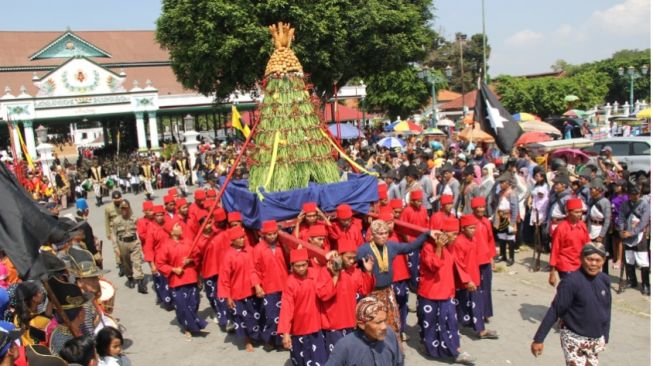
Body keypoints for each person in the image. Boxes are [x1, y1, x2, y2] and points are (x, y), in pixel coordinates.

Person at [531, 243, 611, 365]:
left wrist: (605, 334)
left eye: (597, 260)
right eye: (589, 259)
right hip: (574, 337)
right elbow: (555, 310)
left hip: (595, 339)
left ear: (604, 261)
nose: (593, 264)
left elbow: (606, 309)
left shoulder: (604, 280)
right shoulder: (571, 282)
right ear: (581, 258)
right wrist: (538, 339)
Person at [356, 220, 433, 335]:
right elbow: (349, 263)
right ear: (372, 234)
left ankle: (393, 349)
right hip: (371, 293)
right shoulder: (363, 250)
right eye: (380, 234)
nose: (383, 236)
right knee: (373, 325)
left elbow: (410, 247)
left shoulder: (391, 246)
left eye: (385, 233)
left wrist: (426, 234)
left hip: (388, 292)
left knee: (393, 323)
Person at [417, 217, 475, 364]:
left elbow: (458, 265)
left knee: (449, 323)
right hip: (430, 293)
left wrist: (467, 280)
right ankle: (430, 349)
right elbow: (433, 266)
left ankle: (454, 350)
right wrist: (438, 247)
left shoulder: (451, 248)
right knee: (430, 323)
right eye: (453, 234)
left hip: (446, 292)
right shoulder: (427, 247)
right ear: (442, 233)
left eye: (456, 234)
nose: (456, 237)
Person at [316, 238, 375, 353]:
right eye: (349, 258)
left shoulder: (355, 271)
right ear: (340, 255)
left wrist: (368, 272)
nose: (352, 261)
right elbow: (323, 295)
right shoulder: (326, 271)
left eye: (354, 258)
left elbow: (365, 290)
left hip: (351, 321)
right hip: (333, 323)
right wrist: (335, 276)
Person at [156, 221, 207, 339]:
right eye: (177, 226)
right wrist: (173, 269)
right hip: (177, 281)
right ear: (171, 231)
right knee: (181, 305)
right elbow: (160, 264)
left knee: (194, 303)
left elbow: (197, 255)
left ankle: (192, 323)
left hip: (191, 278)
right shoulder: (165, 246)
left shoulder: (188, 242)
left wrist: (191, 261)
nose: (180, 227)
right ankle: (187, 327)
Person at [278, 248, 328, 366]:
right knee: (302, 359)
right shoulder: (290, 282)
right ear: (291, 266)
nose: (301, 268)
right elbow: (286, 308)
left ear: (308, 263)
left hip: (318, 324)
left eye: (304, 265)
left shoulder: (316, 274)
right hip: (300, 327)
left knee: (319, 358)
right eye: (297, 266)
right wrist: (285, 333)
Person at [452, 215, 498, 339]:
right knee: (461, 305)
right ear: (463, 228)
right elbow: (458, 264)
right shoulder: (459, 242)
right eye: (471, 228)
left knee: (477, 304)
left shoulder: (473, 240)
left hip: (475, 277)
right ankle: (455, 328)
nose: (474, 230)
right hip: (463, 281)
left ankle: (480, 329)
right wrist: (467, 280)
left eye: (474, 228)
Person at [325, 297, 404, 366]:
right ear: (362, 325)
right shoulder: (344, 346)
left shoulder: (389, 334)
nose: (384, 327)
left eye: (384, 320)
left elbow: (398, 362)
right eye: (378, 322)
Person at [218, 226, 261, 351]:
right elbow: (224, 278)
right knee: (242, 319)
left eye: (243, 237)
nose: (243, 240)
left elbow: (255, 269)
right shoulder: (228, 256)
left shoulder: (250, 250)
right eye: (239, 238)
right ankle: (247, 340)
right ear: (232, 241)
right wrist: (228, 296)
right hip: (237, 293)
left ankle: (257, 336)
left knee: (255, 314)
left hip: (252, 290)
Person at [251, 220, 287, 349]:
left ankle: (283, 340)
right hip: (269, 287)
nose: (272, 236)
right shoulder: (258, 249)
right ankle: (268, 339)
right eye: (269, 234)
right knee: (271, 317)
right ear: (263, 235)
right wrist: (257, 285)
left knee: (284, 316)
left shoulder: (282, 246)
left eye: (274, 234)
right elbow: (253, 269)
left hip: (284, 286)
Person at [618, 183, 651, 295]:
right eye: (632, 194)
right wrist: (621, 230)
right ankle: (632, 280)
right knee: (629, 259)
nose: (634, 196)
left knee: (643, 261)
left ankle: (646, 284)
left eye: (636, 194)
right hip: (626, 234)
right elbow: (621, 218)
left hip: (639, 236)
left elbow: (643, 223)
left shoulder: (645, 204)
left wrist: (631, 233)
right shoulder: (624, 205)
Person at [549, 198, 590, 286]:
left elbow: (588, 246)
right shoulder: (561, 228)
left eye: (580, 212)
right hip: (565, 265)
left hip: (580, 264)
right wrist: (552, 272)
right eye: (576, 212)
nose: (579, 214)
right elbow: (555, 250)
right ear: (569, 212)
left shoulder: (582, 225)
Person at [112, 200, 147, 293]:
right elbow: (114, 235)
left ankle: (140, 282)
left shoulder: (134, 219)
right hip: (122, 244)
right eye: (122, 208)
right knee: (126, 263)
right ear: (119, 209)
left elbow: (140, 231)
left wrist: (140, 244)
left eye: (126, 207)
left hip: (134, 242)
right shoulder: (116, 221)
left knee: (137, 262)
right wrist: (116, 248)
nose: (124, 210)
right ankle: (130, 277)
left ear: (129, 208)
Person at [470, 197, 496, 322]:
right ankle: (475, 313)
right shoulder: (469, 222)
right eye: (478, 208)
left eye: (482, 207)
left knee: (486, 287)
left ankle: (485, 312)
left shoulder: (486, 222)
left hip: (485, 259)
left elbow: (490, 241)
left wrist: (492, 258)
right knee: (475, 288)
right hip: (473, 260)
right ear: (473, 209)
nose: (481, 210)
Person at [586, 179, 612, 273]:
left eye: (592, 189)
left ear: (599, 190)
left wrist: (602, 235)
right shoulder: (591, 200)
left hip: (600, 228)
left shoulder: (605, 202)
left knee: (601, 253)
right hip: (591, 227)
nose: (591, 191)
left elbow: (607, 219)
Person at [104, 191, 124, 277]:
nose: (117, 200)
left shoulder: (125, 204)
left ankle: (127, 263)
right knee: (116, 248)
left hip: (124, 228)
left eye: (118, 198)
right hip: (114, 230)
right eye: (115, 199)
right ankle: (120, 265)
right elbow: (106, 220)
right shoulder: (108, 208)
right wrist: (108, 233)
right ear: (112, 199)